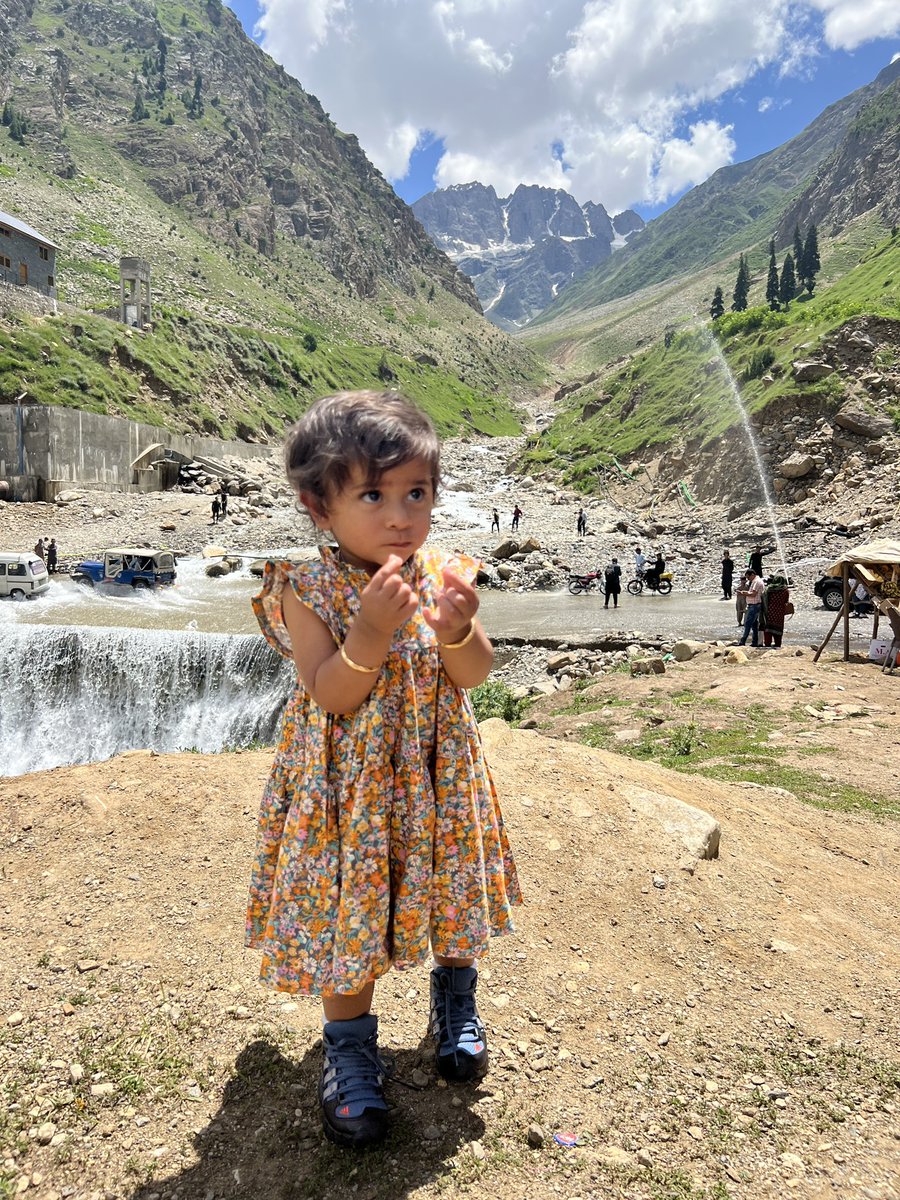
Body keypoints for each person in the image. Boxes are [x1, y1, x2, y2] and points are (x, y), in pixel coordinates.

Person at [246, 391, 521, 1150]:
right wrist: (369, 629)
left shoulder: (437, 572)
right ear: (318, 507)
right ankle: (350, 1048)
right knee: (351, 908)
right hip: (352, 793)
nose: (400, 515)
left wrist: (459, 629)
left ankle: (455, 1000)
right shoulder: (308, 590)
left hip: (438, 774)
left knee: (451, 882)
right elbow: (330, 692)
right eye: (373, 494)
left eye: (416, 494)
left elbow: (475, 675)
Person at [761, 573, 791, 647]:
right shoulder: (785, 591)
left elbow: (764, 598)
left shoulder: (769, 589)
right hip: (780, 612)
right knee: (778, 627)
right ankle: (777, 643)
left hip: (770, 611)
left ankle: (767, 643)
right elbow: (786, 601)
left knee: (768, 627)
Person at [737, 568, 765, 646]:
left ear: (752, 575)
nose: (748, 579)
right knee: (754, 625)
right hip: (753, 605)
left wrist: (744, 593)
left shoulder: (757, 582)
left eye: (748, 577)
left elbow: (753, 594)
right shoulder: (755, 581)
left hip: (754, 605)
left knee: (748, 623)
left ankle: (743, 641)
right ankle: (754, 641)